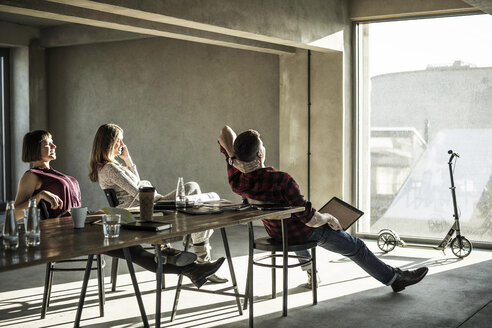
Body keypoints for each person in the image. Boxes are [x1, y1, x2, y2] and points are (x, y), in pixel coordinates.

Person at [218, 125, 429, 292]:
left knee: (293, 221)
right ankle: (395, 278)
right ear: (259, 155)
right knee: (357, 246)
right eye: (261, 145)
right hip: (304, 232)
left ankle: (311, 272)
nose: (263, 146)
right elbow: (310, 220)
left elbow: (225, 131)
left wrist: (234, 158)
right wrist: (328, 217)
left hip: (278, 231)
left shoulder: (237, 181)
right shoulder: (281, 180)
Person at [14, 130, 224, 289]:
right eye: (47, 144)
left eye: (52, 143)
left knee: (133, 234)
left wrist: (97, 214)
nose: (54, 146)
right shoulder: (31, 176)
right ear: (34, 149)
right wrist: (38, 196)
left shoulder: (58, 174)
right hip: (67, 235)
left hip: (85, 224)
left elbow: (75, 208)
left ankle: (185, 262)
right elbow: (16, 212)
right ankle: (190, 266)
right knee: (134, 249)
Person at [88, 123, 227, 283]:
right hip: (146, 210)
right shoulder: (110, 168)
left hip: (145, 206)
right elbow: (138, 191)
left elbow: (136, 185)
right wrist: (144, 183)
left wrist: (128, 160)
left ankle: (199, 244)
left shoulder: (108, 167)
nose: (122, 145)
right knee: (193, 190)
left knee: (199, 214)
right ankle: (202, 255)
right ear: (109, 142)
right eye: (119, 140)